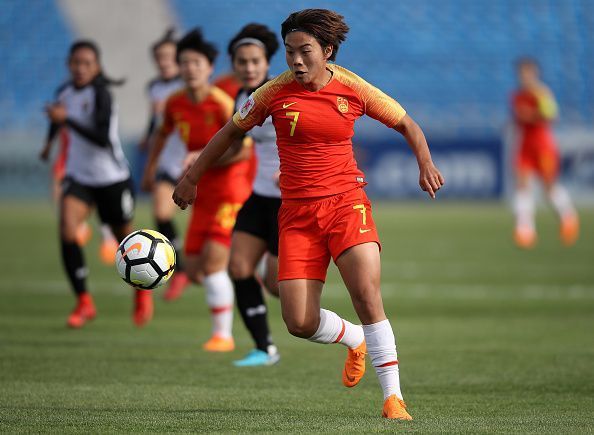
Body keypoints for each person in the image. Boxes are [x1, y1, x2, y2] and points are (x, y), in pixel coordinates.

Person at [173, 9, 444, 420]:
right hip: (296, 215)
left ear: (327, 50)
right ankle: (353, 338)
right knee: (298, 321)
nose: (296, 61)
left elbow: (407, 124)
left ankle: (394, 399)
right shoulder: (271, 93)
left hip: (346, 205)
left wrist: (424, 163)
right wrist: (192, 177)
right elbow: (229, 131)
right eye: (289, 52)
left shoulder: (353, 87)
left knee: (368, 298)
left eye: (305, 52)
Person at [142, 29, 253, 352]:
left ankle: (223, 335)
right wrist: (151, 169)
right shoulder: (174, 103)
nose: (190, 68)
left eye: (197, 63)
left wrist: (203, 158)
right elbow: (162, 136)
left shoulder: (222, 102)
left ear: (209, 67)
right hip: (200, 191)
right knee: (191, 269)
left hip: (230, 189)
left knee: (214, 262)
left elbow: (244, 150)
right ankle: (248, 269)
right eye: (184, 63)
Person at [42, 40, 153, 328]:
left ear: (96, 67)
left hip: (111, 178)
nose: (80, 68)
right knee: (67, 230)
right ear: (69, 65)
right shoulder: (64, 93)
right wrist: (48, 143)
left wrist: (68, 119)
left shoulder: (101, 95)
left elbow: (101, 137)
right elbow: (58, 118)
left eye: (86, 63)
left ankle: (141, 292)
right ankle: (84, 302)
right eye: (75, 62)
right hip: (79, 177)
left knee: (125, 242)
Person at [225, 24, 282, 367]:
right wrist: (203, 158)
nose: (248, 67)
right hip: (259, 196)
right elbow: (238, 146)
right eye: (242, 61)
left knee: (277, 286)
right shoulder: (240, 97)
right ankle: (265, 348)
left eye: (254, 61)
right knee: (238, 267)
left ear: (266, 62)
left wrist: (290, 172)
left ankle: (346, 332)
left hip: (288, 200)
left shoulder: (281, 94)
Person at [140, 29, 191, 300]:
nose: (163, 61)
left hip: (196, 159)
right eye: (159, 57)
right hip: (169, 159)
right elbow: (156, 122)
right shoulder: (154, 87)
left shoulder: (189, 85)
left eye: (168, 56)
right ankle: (178, 269)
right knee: (161, 213)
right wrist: (147, 137)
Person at [511, 58, 579, 248]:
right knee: (522, 185)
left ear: (534, 73)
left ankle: (568, 217)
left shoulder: (542, 93)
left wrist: (531, 115)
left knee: (548, 187)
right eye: (521, 73)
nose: (523, 76)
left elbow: (551, 115)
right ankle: (525, 229)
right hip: (525, 145)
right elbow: (518, 117)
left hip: (543, 146)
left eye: (527, 72)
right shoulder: (517, 95)